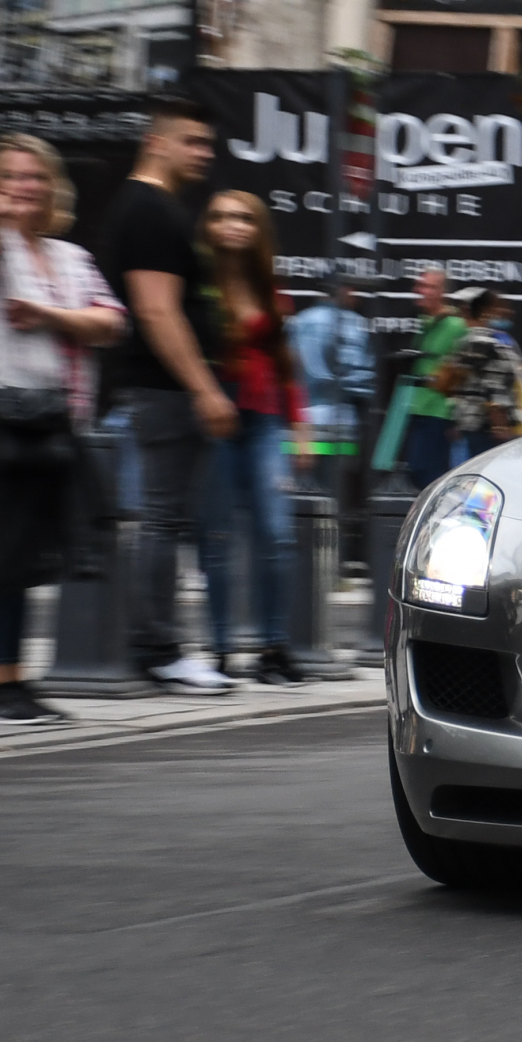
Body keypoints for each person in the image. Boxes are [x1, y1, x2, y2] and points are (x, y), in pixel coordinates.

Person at [0, 134, 126, 722]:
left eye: (36, 176)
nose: (25, 186)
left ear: (53, 185)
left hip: (50, 418)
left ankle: (14, 678)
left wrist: (48, 315)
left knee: (24, 550)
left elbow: (111, 322)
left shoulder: (71, 257)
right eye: (12, 176)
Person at [99, 97, 235, 693]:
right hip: (165, 390)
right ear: (156, 142)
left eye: (208, 144)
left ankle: (156, 644)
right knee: (162, 519)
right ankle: (157, 649)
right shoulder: (152, 210)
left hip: (161, 389)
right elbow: (157, 311)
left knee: (164, 518)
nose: (203, 154)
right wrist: (205, 389)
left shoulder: (152, 207)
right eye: (191, 142)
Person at [198, 192, 312, 686]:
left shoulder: (268, 286)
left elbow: (287, 366)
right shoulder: (199, 284)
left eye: (244, 218)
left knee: (277, 535)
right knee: (219, 537)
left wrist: (300, 426)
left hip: (264, 417)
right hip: (216, 415)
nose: (232, 225)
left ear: (258, 228)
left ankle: (273, 648)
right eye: (221, 216)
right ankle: (221, 649)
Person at [288, 274, 374, 505]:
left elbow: (286, 372)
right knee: (335, 501)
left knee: (300, 504)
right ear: (344, 290)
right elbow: (361, 377)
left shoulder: (298, 322)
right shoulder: (353, 324)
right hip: (342, 423)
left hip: (302, 423)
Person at [441, 289, 522, 458]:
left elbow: (454, 384)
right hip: (487, 430)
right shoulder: (486, 344)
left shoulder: (465, 343)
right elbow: (494, 391)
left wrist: (459, 420)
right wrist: (500, 426)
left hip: (469, 427)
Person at [401, 267, 469, 486]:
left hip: (440, 414)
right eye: (420, 286)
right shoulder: (427, 323)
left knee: (430, 476)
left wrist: (456, 416)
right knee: (417, 472)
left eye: (429, 287)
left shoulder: (455, 325)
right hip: (418, 409)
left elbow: (463, 372)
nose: (422, 291)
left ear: (441, 291)